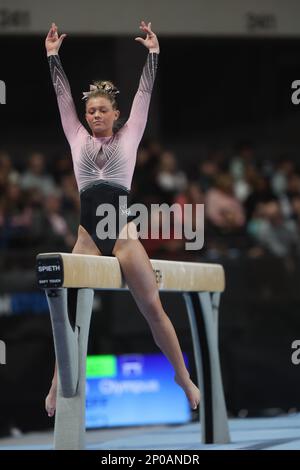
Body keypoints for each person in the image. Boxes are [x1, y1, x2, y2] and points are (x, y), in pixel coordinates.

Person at [45, 22, 200, 417]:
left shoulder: (130, 135)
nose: (95, 115)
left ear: (116, 113)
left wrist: (153, 54)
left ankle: (182, 377)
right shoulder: (76, 137)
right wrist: (52, 57)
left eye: (102, 110)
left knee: (153, 310)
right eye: (90, 111)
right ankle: (56, 386)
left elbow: (145, 94)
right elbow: (62, 98)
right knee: (69, 319)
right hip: (87, 238)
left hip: (123, 237)